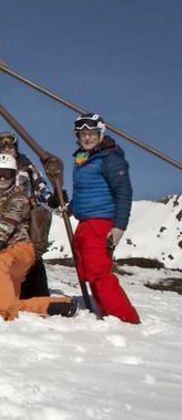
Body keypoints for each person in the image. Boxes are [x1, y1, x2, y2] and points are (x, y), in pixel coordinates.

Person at [0, 154, 76, 320]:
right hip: (2, 251)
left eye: (7, 174)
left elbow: (3, 232)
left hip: (20, 249)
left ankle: (4, 316)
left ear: (14, 176)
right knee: (9, 301)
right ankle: (54, 304)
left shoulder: (18, 198)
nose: (2, 178)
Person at [69, 113, 140, 323]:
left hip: (100, 224)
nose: (87, 138)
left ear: (100, 133)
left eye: (91, 133)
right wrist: (66, 204)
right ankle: (106, 315)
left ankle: (125, 319)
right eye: (83, 134)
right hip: (84, 224)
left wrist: (119, 226)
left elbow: (123, 192)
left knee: (99, 273)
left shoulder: (110, 159)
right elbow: (85, 193)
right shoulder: (83, 160)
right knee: (89, 272)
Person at [0, 130, 54, 301]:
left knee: (32, 254)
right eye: (4, 148)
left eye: (11, 147)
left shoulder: (26, 166)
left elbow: (40, 186)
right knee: (10, 256)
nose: (8, 150)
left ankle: (39, 294)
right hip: (6, 219)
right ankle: (15, 292)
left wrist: (52, 200)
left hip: (26, 218)